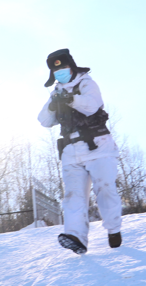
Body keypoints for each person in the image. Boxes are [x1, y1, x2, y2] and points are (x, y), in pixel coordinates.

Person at [38, 48, 122, 254]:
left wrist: (71, 100)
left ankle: (113, 228)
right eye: (56, 71)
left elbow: (93, 105)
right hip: (71, 151)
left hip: (98, 146)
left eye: (64, 68)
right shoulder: (56, 92)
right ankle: (76, 237)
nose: (60, 73)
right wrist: (53, 106)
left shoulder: (86, 83)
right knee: (73, 196)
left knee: (104, 188)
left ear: (72, 67)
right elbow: (43, 121)